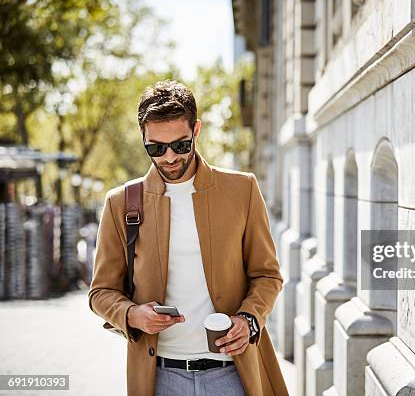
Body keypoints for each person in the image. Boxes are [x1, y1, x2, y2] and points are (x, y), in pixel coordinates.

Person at [88, 80, 288, 396]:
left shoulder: (243, 190)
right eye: (156, 148)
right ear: (143, 138)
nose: (169, 157)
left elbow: (267, 275)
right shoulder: (121, 203)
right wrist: (132, 315)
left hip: (234, 374)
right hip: (160, 379)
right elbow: (101, 291)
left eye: (180, 145)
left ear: (196, 131)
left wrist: (249, 320)